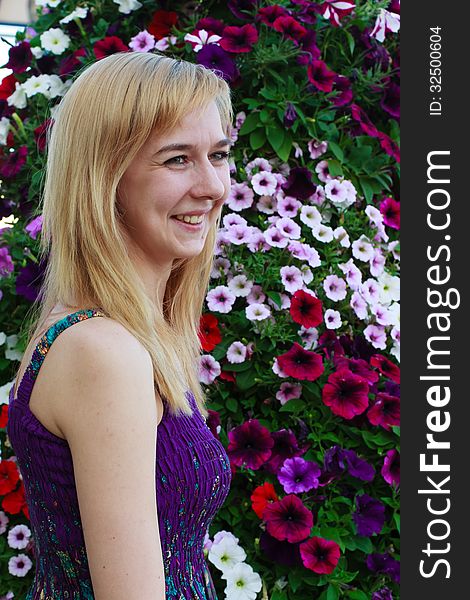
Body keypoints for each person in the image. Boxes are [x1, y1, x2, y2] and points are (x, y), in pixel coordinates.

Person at [7, 51, 234, 599]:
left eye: (220, 154)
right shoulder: (101, 350)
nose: (213, 186)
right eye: (178, 159)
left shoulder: (125, 334)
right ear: (105, 176)